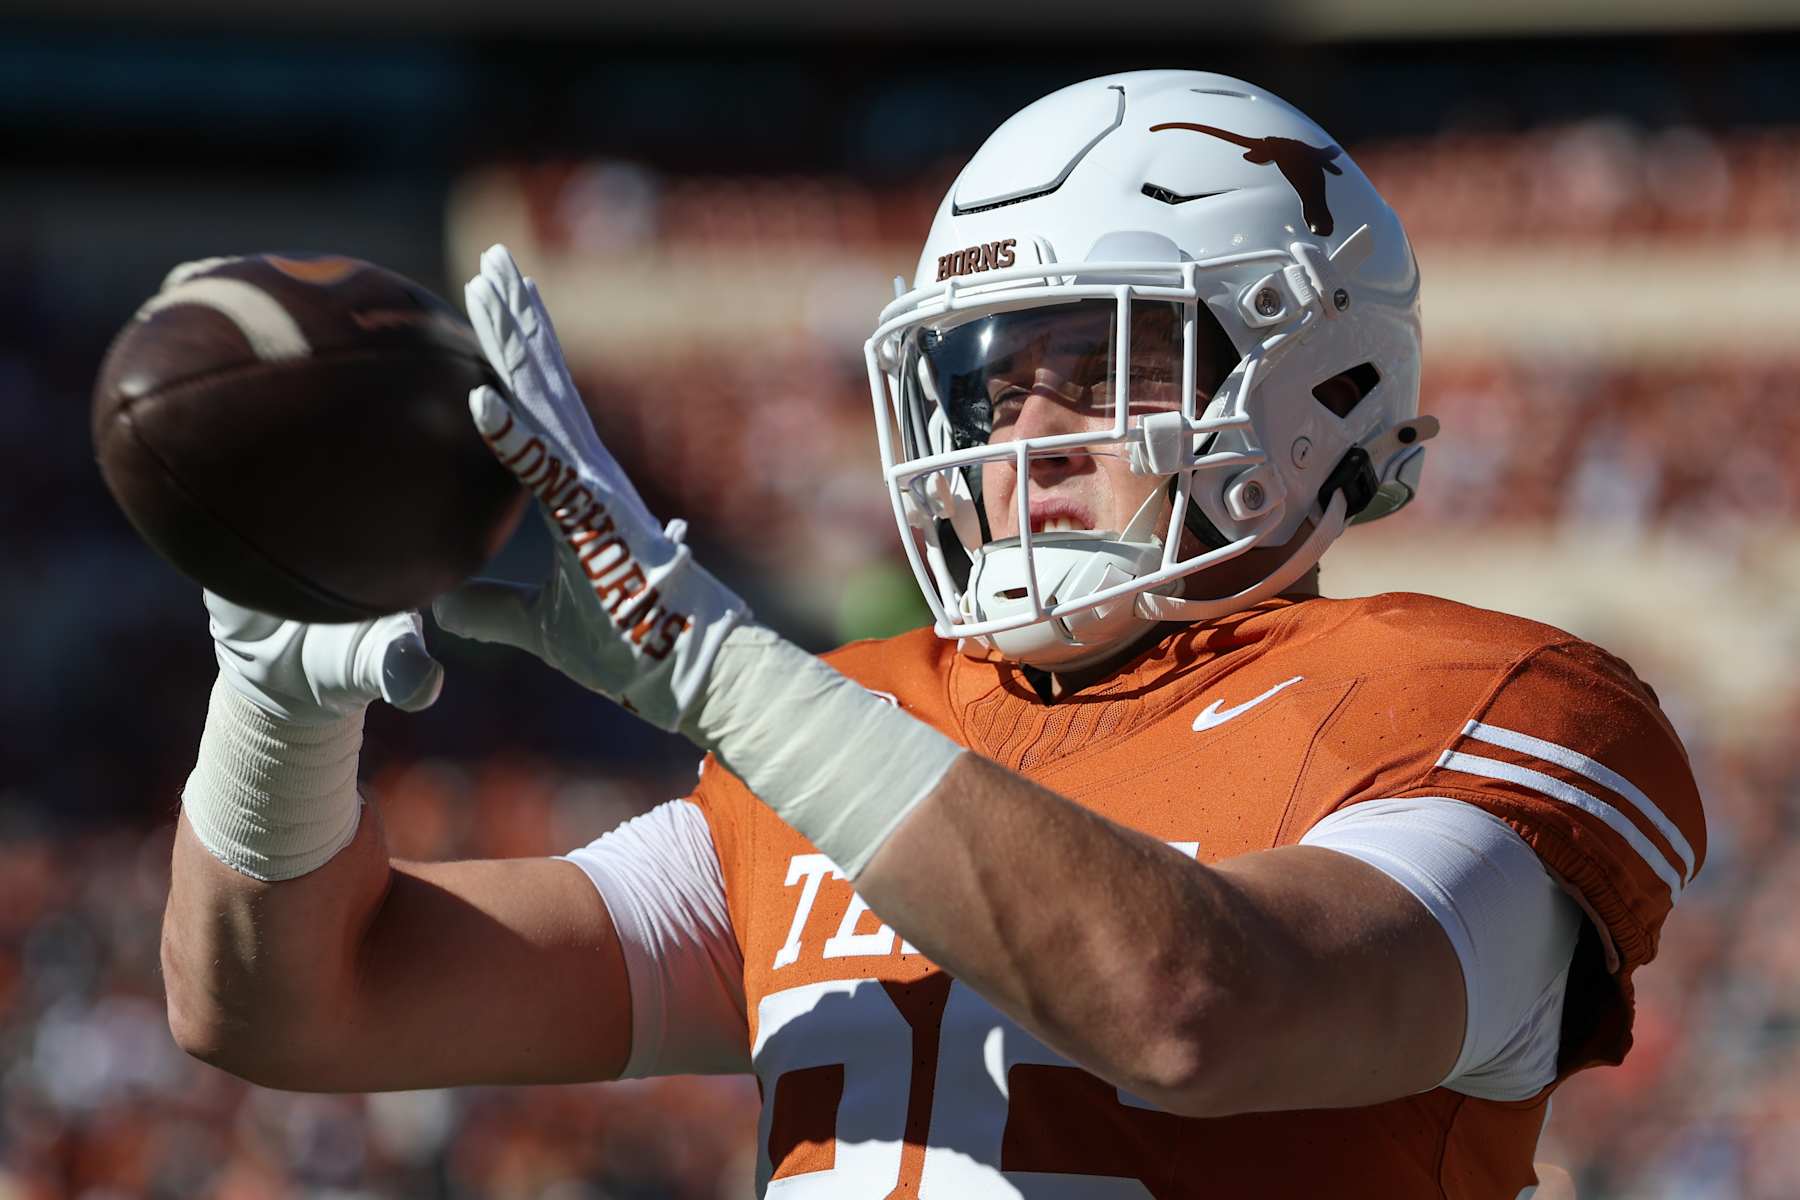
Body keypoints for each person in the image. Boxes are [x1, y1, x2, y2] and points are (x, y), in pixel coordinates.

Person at [162, 71, 1705, 1199]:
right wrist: (277, 706)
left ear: (1319, 385)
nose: (1019, 438)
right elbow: (293, 1005)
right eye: (988, 384)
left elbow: (1200, 1012)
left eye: (1092, 369)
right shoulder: (863, 723)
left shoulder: (1477, 697)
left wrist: (722, 671)